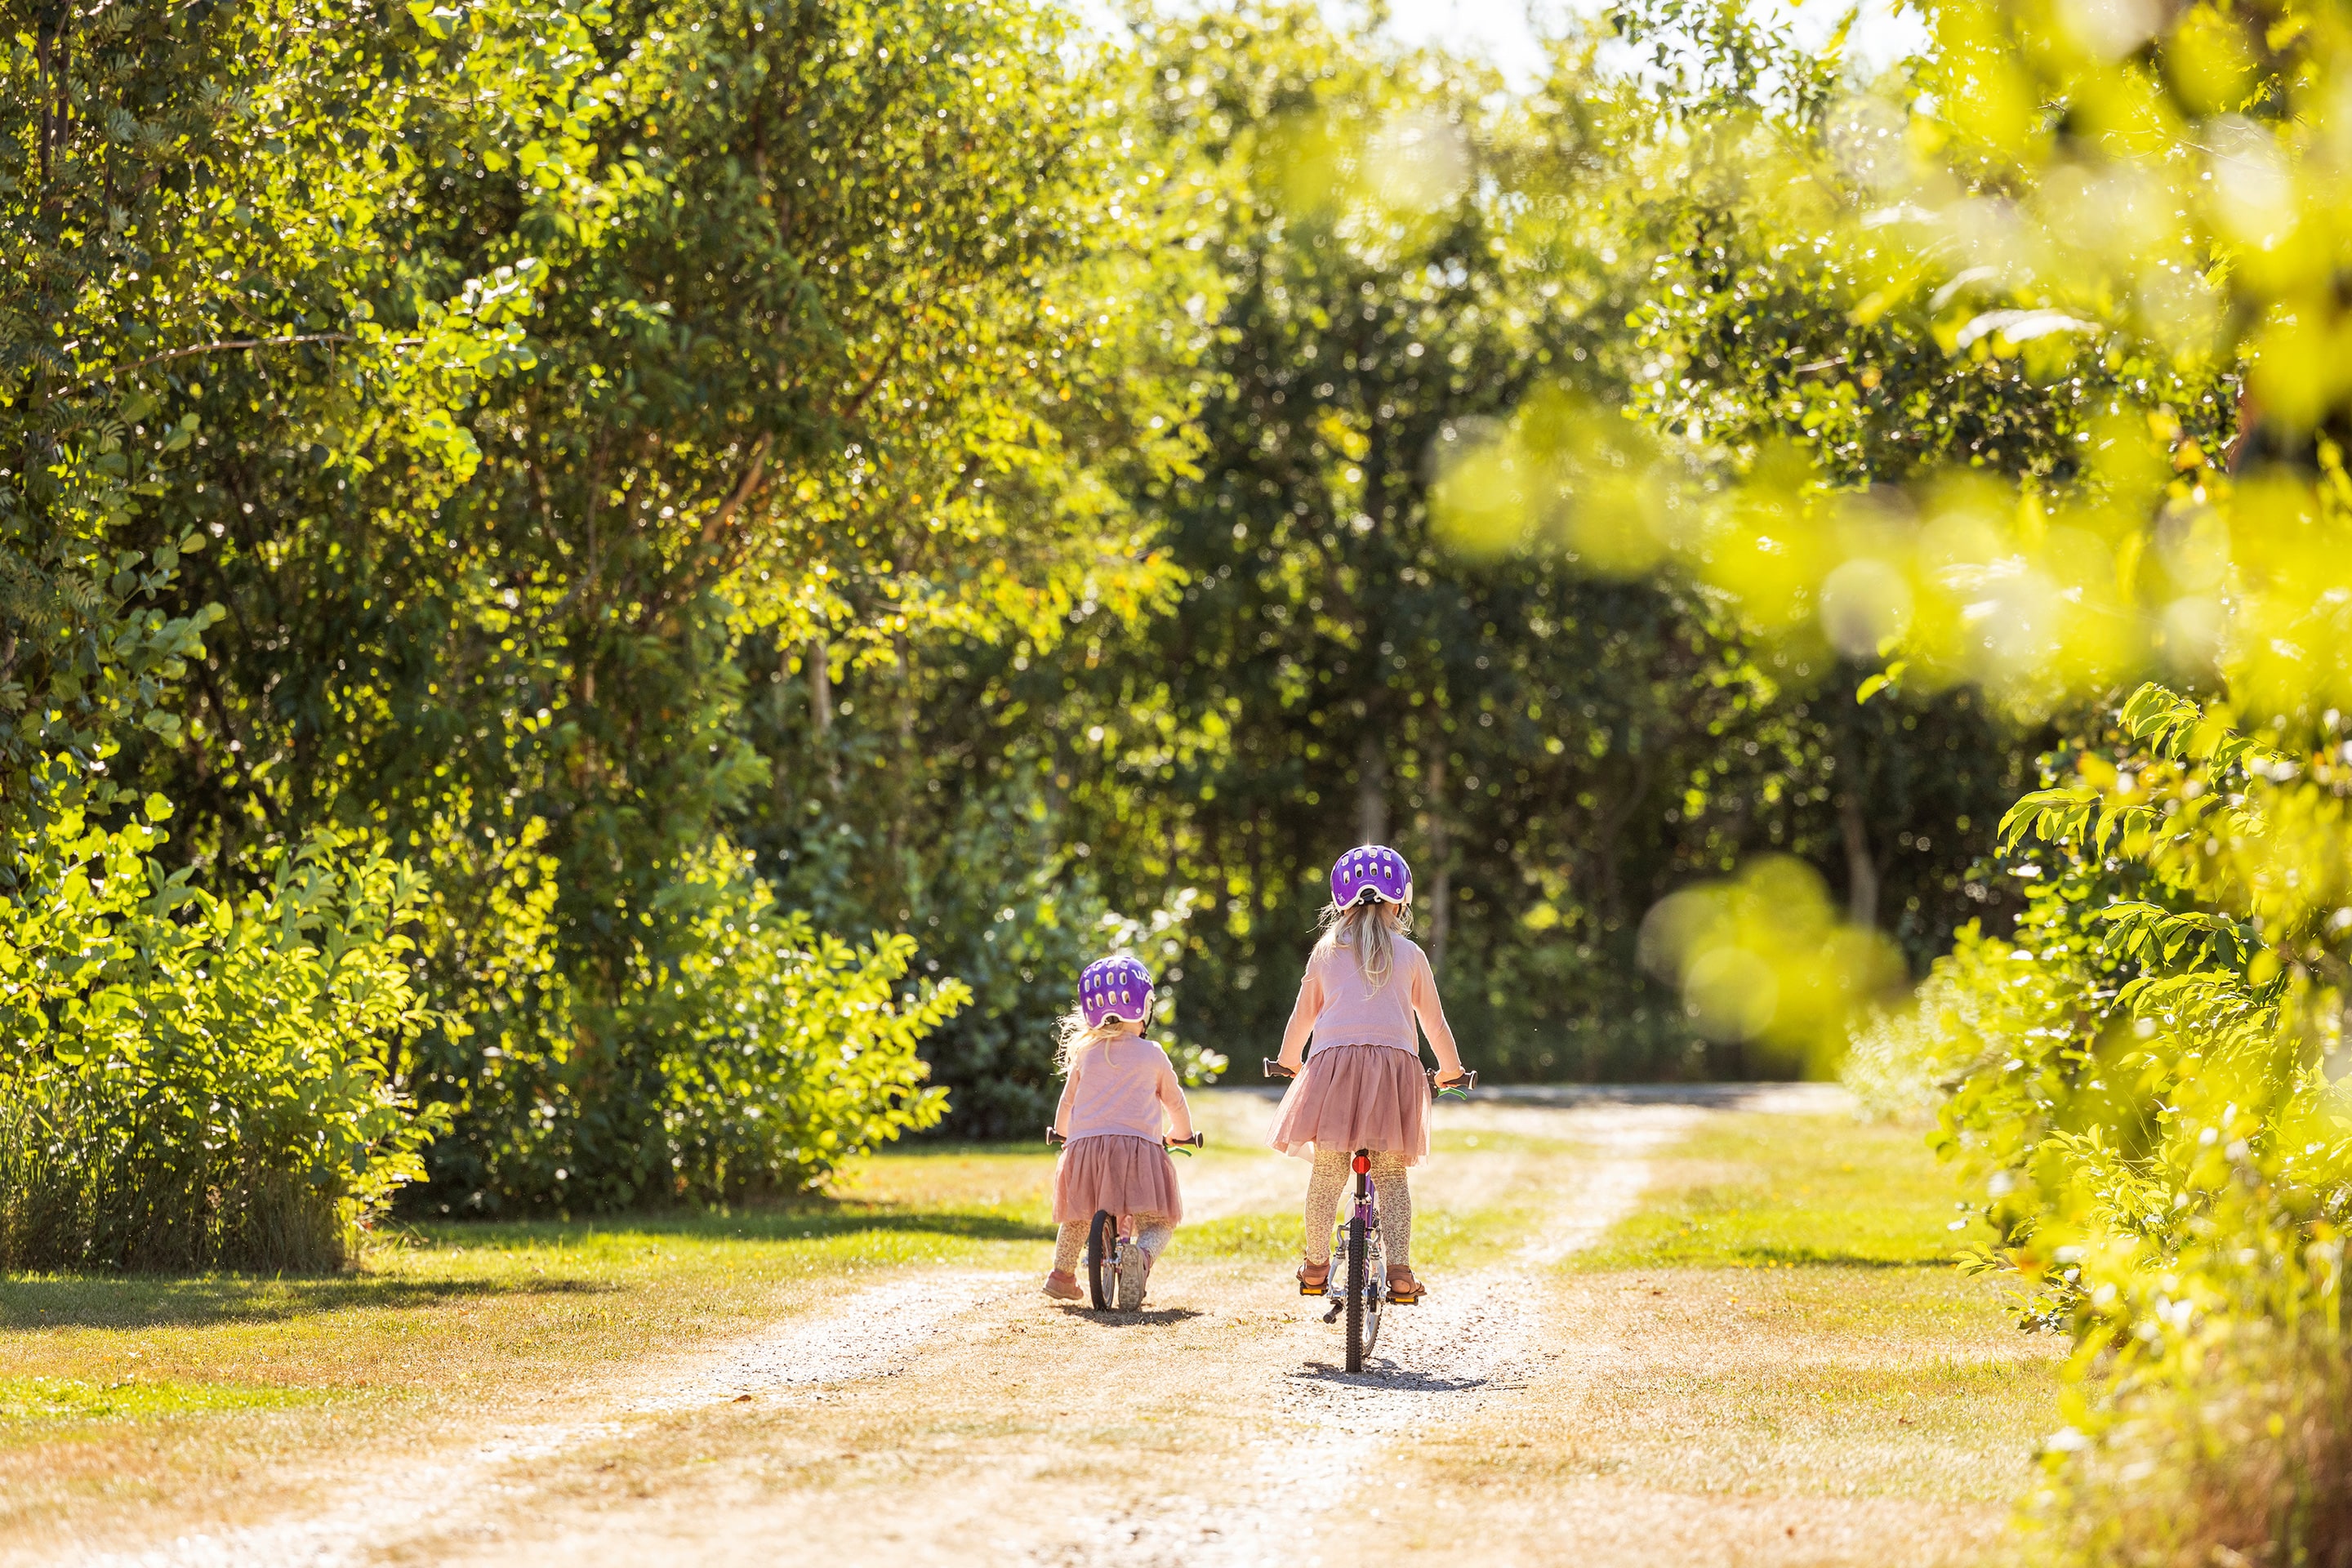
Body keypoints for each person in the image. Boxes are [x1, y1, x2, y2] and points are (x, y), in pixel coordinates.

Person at [1267, 844, 1468, 1303]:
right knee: (1392, 1177)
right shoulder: (1411, 954)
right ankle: (1400, 1272)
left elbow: (1302, 1018)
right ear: (1401, 901)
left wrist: (1288, 1061)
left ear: (1341, 902)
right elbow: (1434, 1023)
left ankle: (1315, 1266)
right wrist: (1451, 1071)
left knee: (1327, 1173)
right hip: (1394, 1073)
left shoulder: (1325, 952)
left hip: (1333, 1070)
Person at [1044, 955, 1196, 1311]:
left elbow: (1067, 1103)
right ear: (1144, 1009)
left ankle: (1061, 1274)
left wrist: (1063, 1134)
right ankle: (1141, 1257)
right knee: (1158, 1223)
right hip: (1137, 1152)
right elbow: (1175, 1102)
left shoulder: (1085, 1053)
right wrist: (1183, 1133)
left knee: (1078, 1214)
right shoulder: (1153, 1054)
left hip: (1086, 1150)